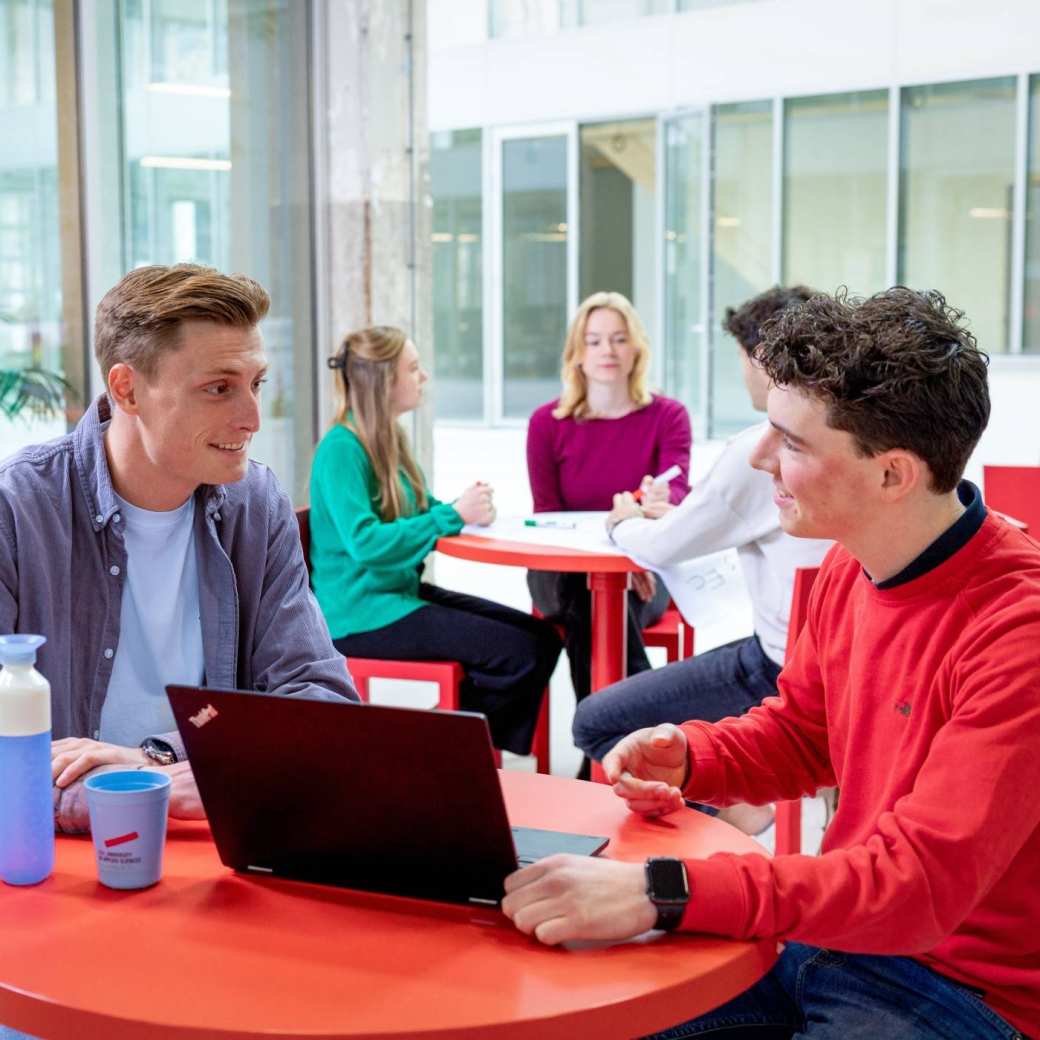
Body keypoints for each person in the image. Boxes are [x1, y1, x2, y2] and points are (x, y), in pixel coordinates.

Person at [501, 287, 1040, 1040]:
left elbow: (915, 887)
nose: (759, 458)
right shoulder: (851, 567)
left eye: (790, 442)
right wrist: (691, 755)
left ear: (892, 475)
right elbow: (804, 732)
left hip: (964, 996)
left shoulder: (1018, 632)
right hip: (838, 945)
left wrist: (665, 891)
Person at [0, 263, 358, 838]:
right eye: (219, 388)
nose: (251, 419)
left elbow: (322, 703)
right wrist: (205, 774)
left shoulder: (255, 504)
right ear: (127, 388)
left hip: (215, 840)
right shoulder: (17, 509)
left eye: (256, 383)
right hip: (52, 861)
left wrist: (156, 762)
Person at [572, 286, 831, 836]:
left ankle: (718, 820)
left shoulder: (760, 449)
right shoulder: (848, 438)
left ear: (761, 358)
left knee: (596, 720)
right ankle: (731, 808)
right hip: (828, 657)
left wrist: (625, 523)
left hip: (779, 665)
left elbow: (666, 544)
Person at [310, 325, 561, 756]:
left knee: (542, 639)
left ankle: (449, 746)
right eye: (413, 368)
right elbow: (366, 544)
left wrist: (465, 510)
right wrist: (451, 515)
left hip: (394, 596)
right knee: (516, 652)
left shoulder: (389, 440)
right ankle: (452, 754)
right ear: (384, 380)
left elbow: (423, 507)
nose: (423, 376)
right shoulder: (341, 449)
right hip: (359, 615)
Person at [526, 291, 691, 713]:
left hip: (642, 568)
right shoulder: (547, 424)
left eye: (619, 339)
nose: (607, 350)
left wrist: (651, 517)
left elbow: (677, 492)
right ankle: (636, 729)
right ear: (577, 353)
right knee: (590, 593)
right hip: (561, 569)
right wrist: (608, 557)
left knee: (595, 604)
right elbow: (547, 517)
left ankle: (597, 747)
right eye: (594, 340)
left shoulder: (668, 416)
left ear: (637, 348)